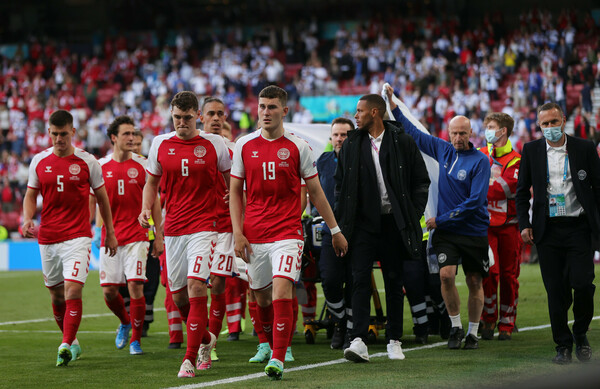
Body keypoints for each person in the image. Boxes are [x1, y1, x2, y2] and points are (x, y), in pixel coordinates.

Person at [230, 85, 348, 380]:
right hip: (254, 233)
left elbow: (317, 193)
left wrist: (334, 230)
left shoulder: (299, 147)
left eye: (272, 107)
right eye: (262, 106)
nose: (265, 112)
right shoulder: (243, 145)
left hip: (287, 232)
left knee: (282, 288)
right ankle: (268, 344)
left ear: (284, 111)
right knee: (261, 298)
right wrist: (237, 233)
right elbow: (234, 192)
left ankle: (279, 358)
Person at [386, 85, 490, 351]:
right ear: (448, 133)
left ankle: (473, 333)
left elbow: (476, 202)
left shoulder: (480, 161)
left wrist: (442, 219)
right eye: (454, 133)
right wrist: (394, 105)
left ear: (471, 134)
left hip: (472, 229)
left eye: (462, 133)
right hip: (447, 233)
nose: (457, 137)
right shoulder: (443, 150)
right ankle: (455, 328)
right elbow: (414, 132)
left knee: (475, 281)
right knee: (445, 276)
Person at [138, 91, 232, 378]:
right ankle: (205, 338)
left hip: (205, 226)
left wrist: (232, 196)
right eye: (177, 117)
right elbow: (151, 183)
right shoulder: (160, 143)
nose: (182, 123)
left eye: (187, 118)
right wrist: (145, 210)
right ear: (171, 115)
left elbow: (231, 179)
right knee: (178, 297)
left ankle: (190, 359)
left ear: (198, 117)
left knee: (196, 287)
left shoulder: (215, 143)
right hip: (174, 229)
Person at [336, 94, 430, 362]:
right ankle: (359, 340)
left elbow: (421, 181)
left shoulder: (402, 140)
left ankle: (394, 340)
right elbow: (340, 185)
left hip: (393, 223)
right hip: (363, 225)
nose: (355, 116)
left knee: (393, 281)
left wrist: (412, 214)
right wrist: (343, 225)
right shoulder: (352, 143)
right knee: (360, 280)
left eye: (359, 111)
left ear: (375, 112)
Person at [22, 109, 118, 366]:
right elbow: (31, 195)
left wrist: (108, 231)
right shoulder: (39, 162)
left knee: (73, 288)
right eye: (54, 134)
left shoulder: (88, 162)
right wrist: (27, 218)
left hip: (78, 236)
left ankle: (64, 344)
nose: (58, 139)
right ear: (49, 133)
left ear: (73, 132)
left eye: (63, 134)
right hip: (48, 237)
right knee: (56, 296)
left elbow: (102, 198)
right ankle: (72, 341)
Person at [516, 102, 599, 364]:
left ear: (564, 120)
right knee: (556, 291)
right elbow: (521, 193)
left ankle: (581, 334)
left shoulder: (584, 148)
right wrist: (524, 224)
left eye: (554, 122)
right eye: (545, 124)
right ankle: (562, 345)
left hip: (579, 228)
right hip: (547, 230)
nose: (550, 128)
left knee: (583, 285)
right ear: (538, 126)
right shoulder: (530, 150)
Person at [96, 116, 164, 355]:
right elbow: (97, 203)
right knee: (109, 291)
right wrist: (97, 230)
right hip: (111, 237)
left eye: (134, 134)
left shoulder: (143, 164)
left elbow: (154, 201)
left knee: (136, 286)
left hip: (138, 234)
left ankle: (136, 340)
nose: (132, 138)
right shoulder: (101, 166)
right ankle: (125, 322)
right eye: (126, 134)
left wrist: (158, 234)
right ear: (113, 137)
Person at [198, 97, 241, 360]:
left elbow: (247, 184)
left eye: (220, 114)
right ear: (200, 117)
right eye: (210, 114)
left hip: (225, 226)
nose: (216, 118)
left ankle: (207, 347)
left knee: (216, 283)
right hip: (194, 226)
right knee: (192, 289)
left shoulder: (236, 149)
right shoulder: (188, 147)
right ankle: (202, 337)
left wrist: (238, 196)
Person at [478, 113, 521, 341]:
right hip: (485, 226)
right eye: (487, 126)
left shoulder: (516, 160)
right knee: (489, 274)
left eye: (491, 126)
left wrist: (486, 183)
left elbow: (509, 189)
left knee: (508, 275)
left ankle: (507, 322)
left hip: (509, 227)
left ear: (503, 131)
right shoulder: (481, 155)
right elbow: (478, 186)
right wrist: (490, 183)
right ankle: (489, 317)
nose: (487, 129)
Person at [315, 117, 353, 349]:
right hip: (330, 230)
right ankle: (339, 322)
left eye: (344, 135)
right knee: (329, 279)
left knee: (355, 281)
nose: (339, 139)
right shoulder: (323, 160)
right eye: (336, 135)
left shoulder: (363, 160)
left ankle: (351, 329)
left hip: (356, 231)